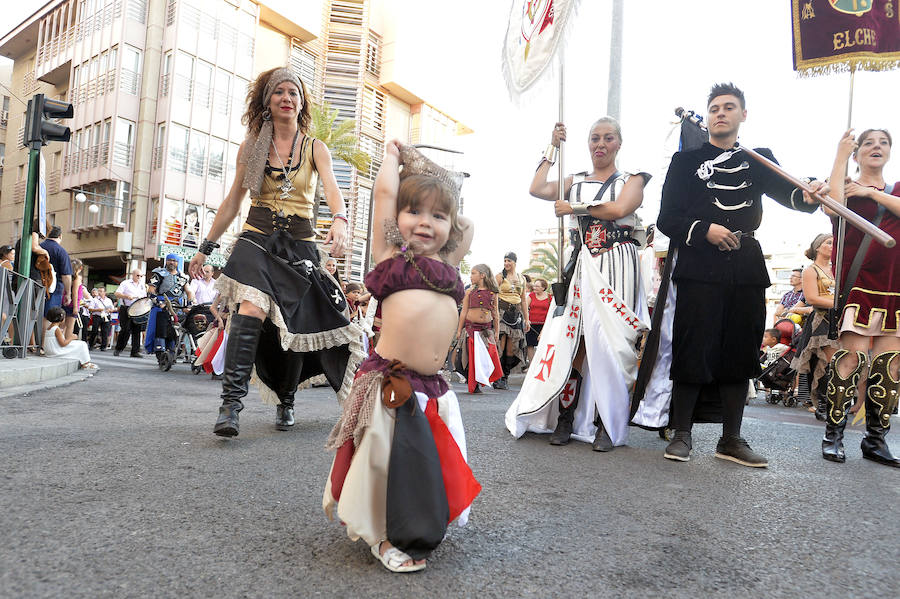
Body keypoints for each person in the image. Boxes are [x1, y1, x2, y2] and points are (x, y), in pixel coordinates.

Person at [323, 141, 479, 574]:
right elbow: (386, 198)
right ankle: (385, 536)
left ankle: (418, 520)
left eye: (437, 216)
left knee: (423, 464)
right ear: (398, 221)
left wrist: (427, 170)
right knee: (384, 467)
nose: (426, 223)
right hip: (393, 383)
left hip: (433, 387)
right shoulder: (391, 255)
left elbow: (465, 224)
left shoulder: (450, 259)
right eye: (415, 213)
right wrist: (396, 159)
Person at [188, 66, 361, 436]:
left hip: (299, 243)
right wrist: (206, 248)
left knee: (294, 328)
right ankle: (230, 406)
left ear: (301, 103)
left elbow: (331, 189)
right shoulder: (253, 146)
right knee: (250, 307)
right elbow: (234, 201)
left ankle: (286, 397)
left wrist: (340, 219)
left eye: (293, 93)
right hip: (257, 235)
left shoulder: (315, 147)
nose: (287, 98)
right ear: (267, 100)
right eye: (279, 92)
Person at [655, 82, 818, 466]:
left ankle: (731, 439)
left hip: (746, 263)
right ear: (708, 116)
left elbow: (792, 195)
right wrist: (704, 229)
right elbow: (666, 218)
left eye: (729, 107)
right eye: (714, 108)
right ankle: (682, 434)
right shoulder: (685, 162)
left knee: (740, 349)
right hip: (699, 263)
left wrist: (810, 193)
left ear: (743, 115)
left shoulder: (759, 159)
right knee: (693, 344)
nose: (721, 113)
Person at [505, 117, 651, 452]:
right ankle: (567, 417)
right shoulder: (576, 179)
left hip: (618, 263)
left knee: (616, 344)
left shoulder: (633, 180)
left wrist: (575, 207)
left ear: (618, 143)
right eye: (594, 138)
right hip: (584, 263)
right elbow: (537, 187)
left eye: (608, 138)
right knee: (579, 341)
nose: (600, 144)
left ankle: (606, 423)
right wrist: (553, 146)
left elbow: (620, 208)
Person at [818, 128, 900, 467]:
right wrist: (839, 156)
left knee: (890, 366)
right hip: (860, 284)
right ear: (857, 152)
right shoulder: (846, 186)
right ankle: (833, 435)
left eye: (883, 143)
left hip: (896, 284)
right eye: (868, 143)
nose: (876, 147)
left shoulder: (894, 191)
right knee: (850, 360)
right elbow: (831, 207)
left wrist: (873, 194)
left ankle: (875, 439)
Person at [790, 234, 839, 419]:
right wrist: (837, 303)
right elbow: (811, 298)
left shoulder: (837, 269)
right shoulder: (810, 270)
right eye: (828, 242)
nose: (832, 245)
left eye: (834, 243)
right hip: (821, 320)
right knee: (826, 361)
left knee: (838, 362)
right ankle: (822, 404)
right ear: (817, 247)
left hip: (839, 319)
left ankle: (833, 403)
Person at [456, 264, 502, 393]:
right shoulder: (469, 292)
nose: (471, 276)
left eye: (473, 273)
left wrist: (497, 331)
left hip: (486, 331)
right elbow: (464, 312)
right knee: (470, 358)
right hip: (471, 329)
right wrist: (459, 330)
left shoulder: (493, 293)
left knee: (486, 357)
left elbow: (495, 313)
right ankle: (473, 383)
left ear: (482, 275)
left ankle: (487, 379)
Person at [145, 254, 194, 365]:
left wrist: (190, 305)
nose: (172, 263)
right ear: (166, 261)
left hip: (178, 307)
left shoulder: (182, 277)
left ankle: (173, 352)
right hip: (161, 307)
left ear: (177, 263)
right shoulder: (158, 274)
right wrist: (159, 303)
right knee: (160, 330)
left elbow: (189, 292)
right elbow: (151, 291)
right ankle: (160, 353)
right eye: (169, 260)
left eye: (174, 261)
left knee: (175, 331)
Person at [493, 252, 529, 389]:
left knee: (512, 348)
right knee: (500, 346)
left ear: (515, 262)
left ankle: (505, 377)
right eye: (505, 261)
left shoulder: (521, 278)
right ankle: (498, 377)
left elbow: (524, 300)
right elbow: (493, 295)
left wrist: (527, 319)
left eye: (509, 261)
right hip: (502, 312)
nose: (506, 263)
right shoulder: (500, 276)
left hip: (516, 314)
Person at [40, 226, 73, 332]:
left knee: (35, 314)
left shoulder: (39, 247)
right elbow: (66, 275)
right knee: (49, 316)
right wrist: (68, 293)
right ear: (60, 236)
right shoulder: (61, 251)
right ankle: (43, 344)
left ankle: (32, 344)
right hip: (54, 288)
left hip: (37, 283)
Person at [113, 268, 147, 357]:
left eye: (141, 276)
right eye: (137, 275)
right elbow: (117, 293)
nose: (139, 277)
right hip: (126, 308)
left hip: (138, 309)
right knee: (125, 329)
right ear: (133, 275)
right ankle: (118, 348)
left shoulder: (142, 285)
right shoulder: (125, 283)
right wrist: (126, 296)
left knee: (137, 330)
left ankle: (135, 351)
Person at [525, 277, 551, 365]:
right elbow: (524, 308)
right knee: (530, 345)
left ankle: (541, 365)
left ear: (543, 288)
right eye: (534, 286)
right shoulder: (531, 296)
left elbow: (551, 313)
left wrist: (543, 331)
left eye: (537, 286)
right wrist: (527, 320)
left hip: (544, 325)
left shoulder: (549, 297)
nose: (534, 288)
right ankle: (532, 365)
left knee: (543, 345)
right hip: (532, 324)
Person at [87, 287, 114, 351]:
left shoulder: (108, 300)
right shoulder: (94, 300)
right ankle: (91, 344)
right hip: (97, 316)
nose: (99, 293)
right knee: (94, 331)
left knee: (105, 332)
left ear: (105, 292)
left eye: (101, 291)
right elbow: (90, 308)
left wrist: (110, 310)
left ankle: (103, 346)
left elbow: (112, 309)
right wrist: (97, 310)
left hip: (106, 316)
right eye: (99, 291)